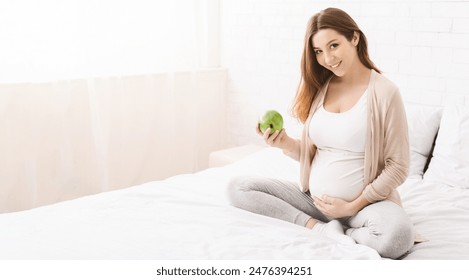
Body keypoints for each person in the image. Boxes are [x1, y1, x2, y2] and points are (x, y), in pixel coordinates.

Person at [227, 7, 415, 259]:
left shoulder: (384, 92)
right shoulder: (322, 88)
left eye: (334, 45)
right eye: (318, 51)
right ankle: (320, 228)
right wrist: (284, 143)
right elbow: (313, 152)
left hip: (363, 207)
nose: (327, 58)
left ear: (354, 38)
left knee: (397, 238)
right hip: (315, 203)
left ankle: (348, 231)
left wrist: (351, 205)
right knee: (239, 187)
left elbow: (399, 166)